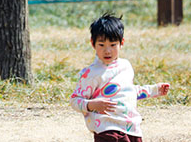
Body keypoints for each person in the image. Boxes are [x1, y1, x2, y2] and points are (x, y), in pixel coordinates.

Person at [70, 13, 171, 142]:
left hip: (131, 127)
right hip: (107, 129)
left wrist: (154, 90)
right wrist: (91, 105)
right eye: (101, 45)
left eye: (113, 45)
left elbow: (129, 92)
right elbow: (74, 100)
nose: (107, 50)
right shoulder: (91, 73)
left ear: (121, 43)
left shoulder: (125, 66)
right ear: (93, 43)